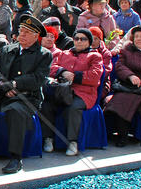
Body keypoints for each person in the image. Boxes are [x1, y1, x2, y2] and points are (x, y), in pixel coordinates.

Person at [0, 15, 51, 174]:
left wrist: (15, 84)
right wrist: (1, 84)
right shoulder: (7, 49)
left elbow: (38, 78)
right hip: (0, 92)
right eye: (21, 31)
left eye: (27, 32)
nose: (22, 35)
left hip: (26, 97)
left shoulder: (43, 54)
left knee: (15, 111)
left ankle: (15, 157)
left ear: (36, 36)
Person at [41, 28, 102, 156]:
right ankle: (48, 138)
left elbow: (95, 75)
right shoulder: (64, 53)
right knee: (46, 105)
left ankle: (72, 141)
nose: (79, 41)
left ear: (89, 42)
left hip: (83, 92)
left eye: (83, 39)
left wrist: (75, 76)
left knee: (73, 107)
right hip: (62, 90)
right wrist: (62, 72)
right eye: (76, 38)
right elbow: (51, 67)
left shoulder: (95, 56)